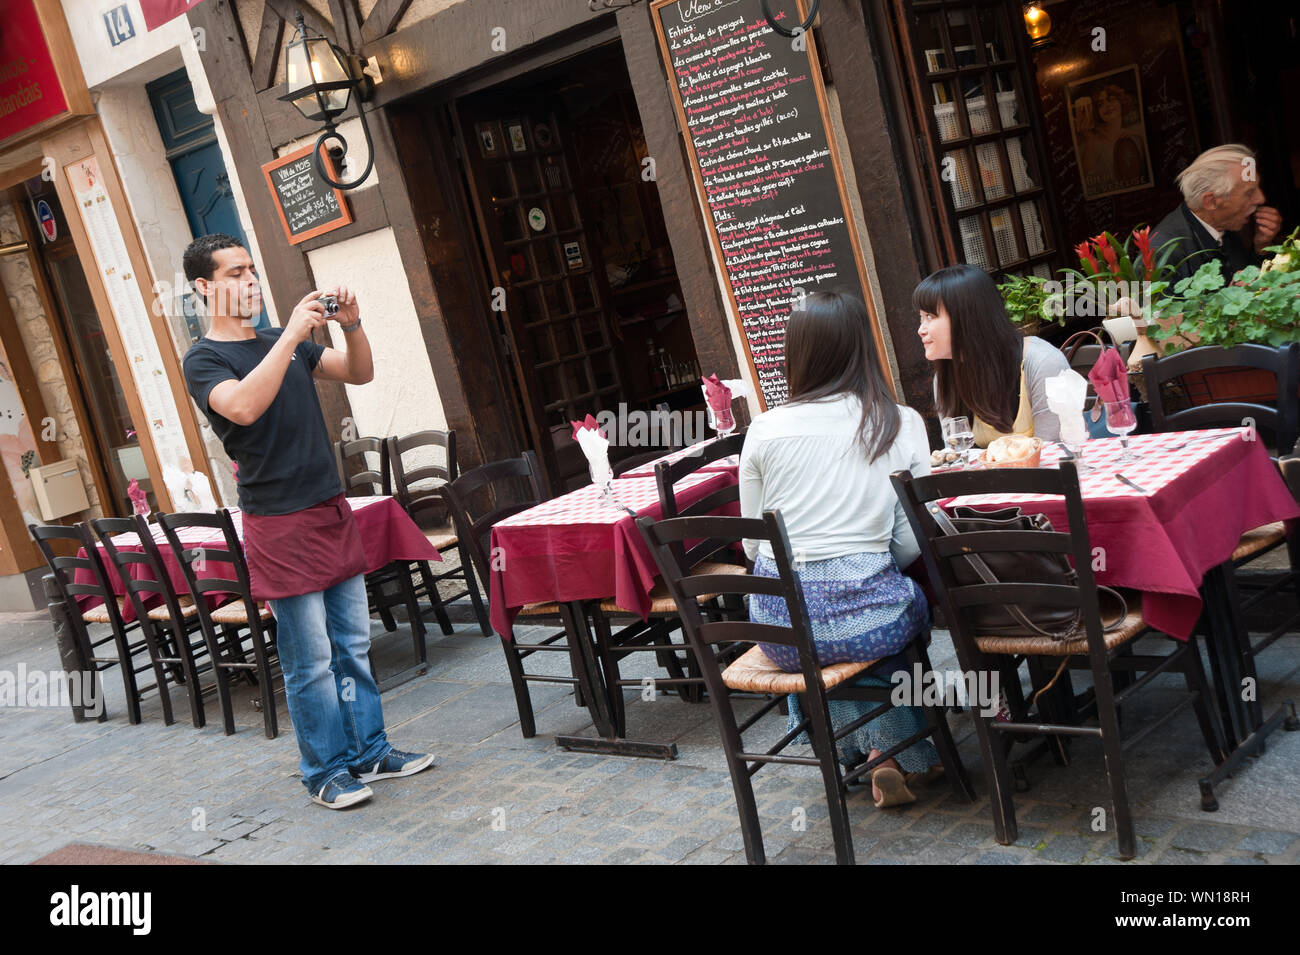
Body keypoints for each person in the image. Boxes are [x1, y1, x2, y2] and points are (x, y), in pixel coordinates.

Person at [180, 233, 434, 810]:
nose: (250, 281)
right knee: (310, 660)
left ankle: (370, 750)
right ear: (203, 287)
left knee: (353, 645)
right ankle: (323, 771)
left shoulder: (280, 340)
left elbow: (358, 372)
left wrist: (352, 325)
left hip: (328, 508)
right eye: (235, 273)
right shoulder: (205, 359)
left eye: (251, 270)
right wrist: (293, 335)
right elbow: (243, 406)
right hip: (277, 522)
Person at [739, 291, 940, 808]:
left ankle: (859, 750)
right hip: (870, 620)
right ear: (863, 347)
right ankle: (889, 750)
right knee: (901, 611)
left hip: (780, 632)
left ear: (794, 354)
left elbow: (752, 542)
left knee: (822, 639)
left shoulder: (763, 429)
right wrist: (867, 570)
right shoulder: (900, 422)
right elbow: (913, 540)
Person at [917, 264, 1070, 448]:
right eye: (921, 317)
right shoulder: (945, 379)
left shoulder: (1042, 362)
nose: (921, 330)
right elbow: (957, 455)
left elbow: (1056, 451)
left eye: (930, 316)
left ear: (967, 317)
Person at [1153, 143, 1284, 287]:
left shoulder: (1224, 224)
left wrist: (1262, 247)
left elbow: (1247, 275)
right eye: (1249, 193)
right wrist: (1231, 295)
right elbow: (1143, 299)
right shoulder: (1160, 251)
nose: (1261, 199)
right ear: (1211, 201)